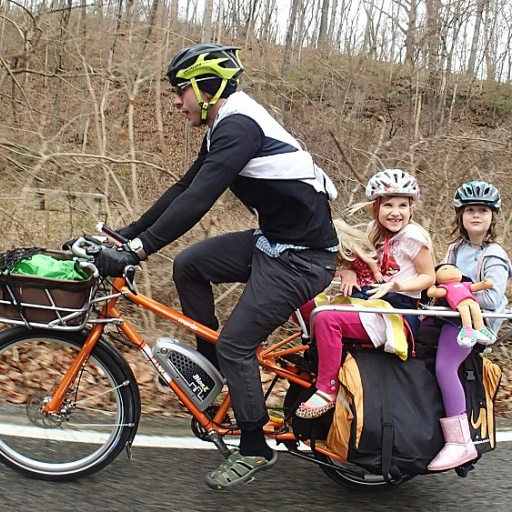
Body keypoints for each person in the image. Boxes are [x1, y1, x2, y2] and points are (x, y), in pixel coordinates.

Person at [93, 44, 339, 490]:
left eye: (180, 90)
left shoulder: (240, 126)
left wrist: (138, 250)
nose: (175, 101)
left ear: (207, 88)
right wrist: (126, 235)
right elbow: (184, 186)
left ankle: (254, 447)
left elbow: (199, 198)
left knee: (237, 345)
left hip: (302, 260)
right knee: (189, 265)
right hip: (273, 243)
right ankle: (213, 377)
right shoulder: (228, 122)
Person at [295, 169, 436, 419]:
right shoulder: (374, 230)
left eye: (403, 205)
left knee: (328, 317)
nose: (396, 212)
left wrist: (397, 286)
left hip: (397, 312)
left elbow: (429, 277)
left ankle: (327, 388)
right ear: (376, 208)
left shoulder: (412, 236)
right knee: (303, 303)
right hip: (369, 300)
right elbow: (361, 262)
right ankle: (322, 358)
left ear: (411, 209)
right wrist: (348, 271)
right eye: (389, 205)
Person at [427, 180, 512, 471]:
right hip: (448, 315)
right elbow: (440, 277)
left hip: (474, 325)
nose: (477, 216)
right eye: (471, 210)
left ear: (493, 218)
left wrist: (457, 290)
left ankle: (459, 442)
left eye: (484, 211)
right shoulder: (455, 248)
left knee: (445, 367)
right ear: (460, 216)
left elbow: (491, 297)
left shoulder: (495, 255)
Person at [332, 218, 383, 300]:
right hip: (361, 277)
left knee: (366, 292)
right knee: (354, 291)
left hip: (369, 277)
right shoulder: (348, 254)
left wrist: (376, 272)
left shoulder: (356, 249)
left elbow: (370, 259)